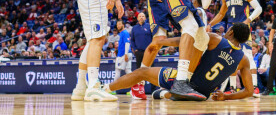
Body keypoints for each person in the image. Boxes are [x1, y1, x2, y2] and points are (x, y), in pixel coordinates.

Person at [103, 23, 254, 101]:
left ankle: (105, 90)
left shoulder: (216, 39)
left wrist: (163, 42)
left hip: (186, 83)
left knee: (141, 72)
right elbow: (249, 91)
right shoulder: (244, 60)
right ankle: (166, 94)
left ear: (231, 32)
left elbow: (185, 41)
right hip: (203, 95)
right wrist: (225, 97)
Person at [208, 0, 262, 97]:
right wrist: (210, 24)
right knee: (230, 57)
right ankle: (233, 88)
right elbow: (221, 14)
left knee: (248, 55)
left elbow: (258, 8)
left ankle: (254, 88)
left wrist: (247, 21)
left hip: (243, 28)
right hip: (231, 29)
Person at [129, 13, 152, 99]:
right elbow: (132, 40)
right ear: (137, 18)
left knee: (151, 71)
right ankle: (139, 91)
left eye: (143, 16)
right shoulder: (134, 28)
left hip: (149, 52)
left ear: (145, 18)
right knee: (139, 72)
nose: (141, 17)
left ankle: (153, 91)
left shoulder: (149, 26)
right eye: (140, 16)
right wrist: (135, 49)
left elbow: (154, 38)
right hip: (139, 52)